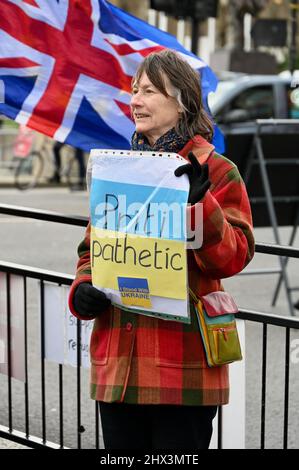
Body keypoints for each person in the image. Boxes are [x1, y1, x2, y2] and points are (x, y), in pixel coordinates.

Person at [68, 49, 255, 450]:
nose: (135, 100)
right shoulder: (120, 166)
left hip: (182, 367)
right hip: (120, 365)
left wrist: (202, 206)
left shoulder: (218, 170)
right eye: (135, 90)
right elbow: (93, 248)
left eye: (149, 91)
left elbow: (235, 256)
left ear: (182, 100)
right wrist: (83, 286)